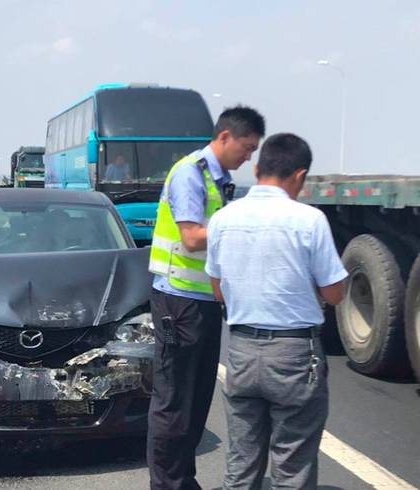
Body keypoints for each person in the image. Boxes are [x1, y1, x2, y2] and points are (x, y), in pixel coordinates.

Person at [205, 133, 347, 489]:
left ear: (256, 168)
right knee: (292, 465)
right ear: (299, 175)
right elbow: (335, 292)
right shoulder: (309, 220)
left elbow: (218, 287)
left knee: (241, 462)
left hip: (241, 350)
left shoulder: (224, 218)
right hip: (294, 355)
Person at [147, 106, 265, 490]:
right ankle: (168, 485)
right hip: (178, 303)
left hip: (202, 302)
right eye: (246, 148)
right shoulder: (190, 173)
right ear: (225, 137)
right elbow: (192, 237)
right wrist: (238, 224)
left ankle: (184, 480)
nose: (248, 157)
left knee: (196, 402)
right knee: (173, 404)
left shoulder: (219, 179)